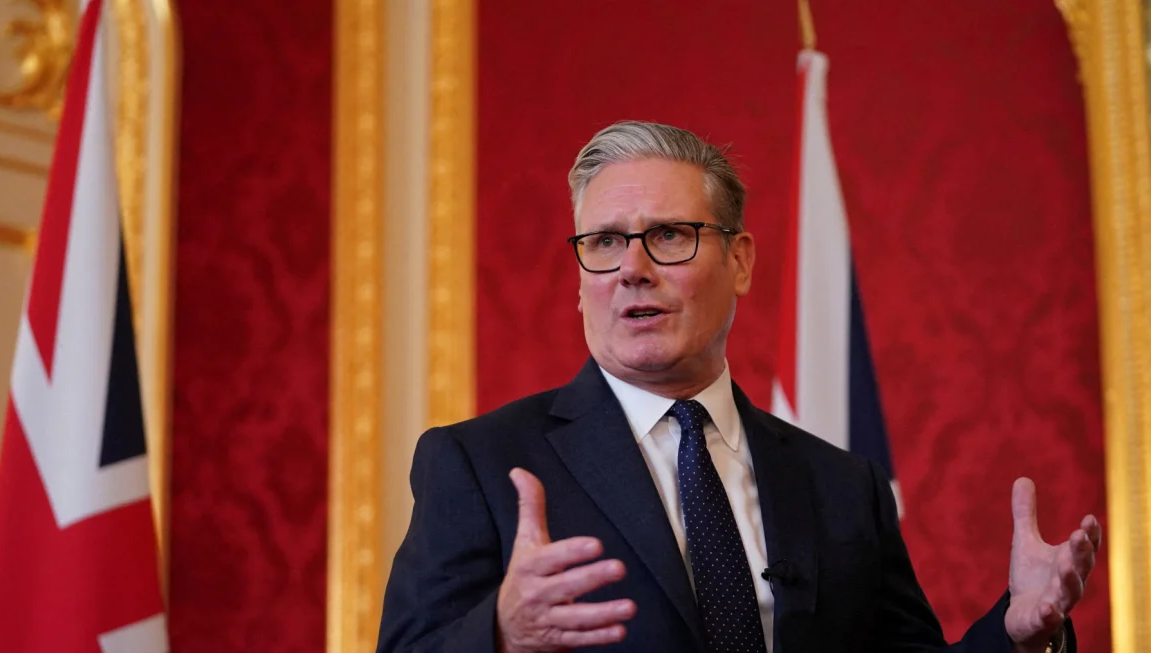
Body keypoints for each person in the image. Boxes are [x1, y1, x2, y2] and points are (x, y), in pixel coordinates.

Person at [376, 121, 1101, 652]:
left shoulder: (840, 484)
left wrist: (1015, 634)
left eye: (668, 235)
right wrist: (500, 632)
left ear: (741, 261)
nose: (631, 268)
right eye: (602, 242)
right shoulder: (479, 463)